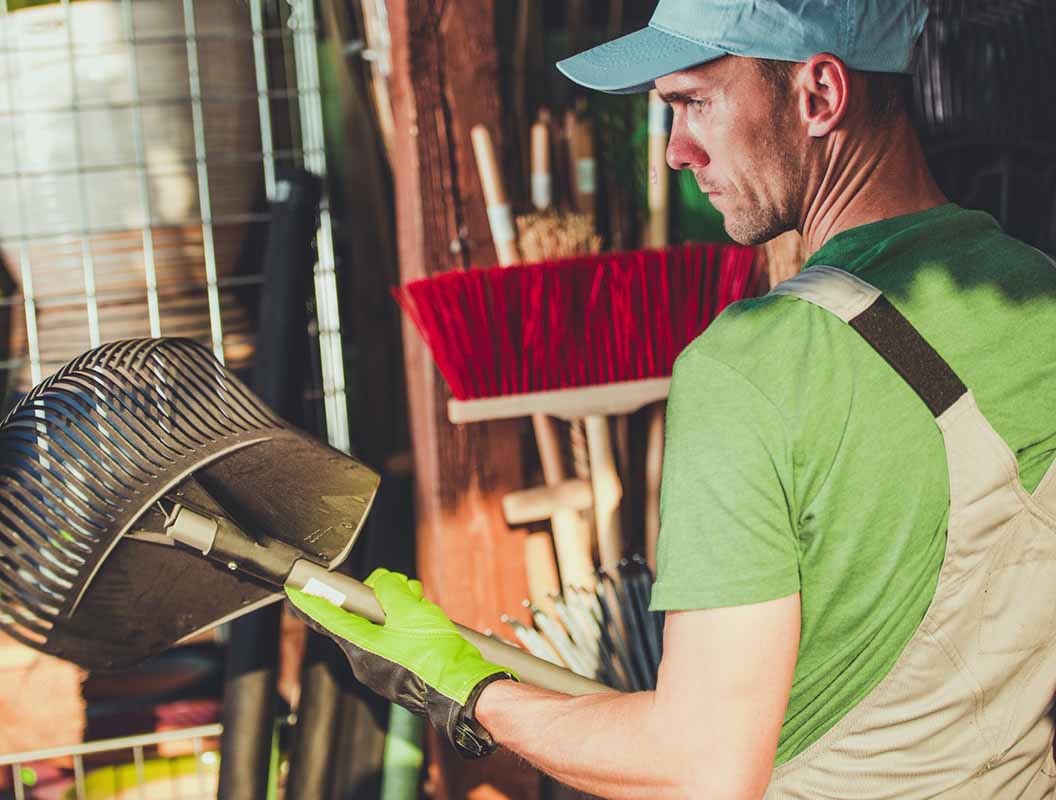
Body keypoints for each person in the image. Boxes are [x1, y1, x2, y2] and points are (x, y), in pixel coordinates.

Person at [287, 0, 1056, 796]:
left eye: (694, 102)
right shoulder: (1037, 293)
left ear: (820, 95)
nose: (677, 153)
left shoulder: (752, 367)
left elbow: (700, 769)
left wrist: (460, 684)